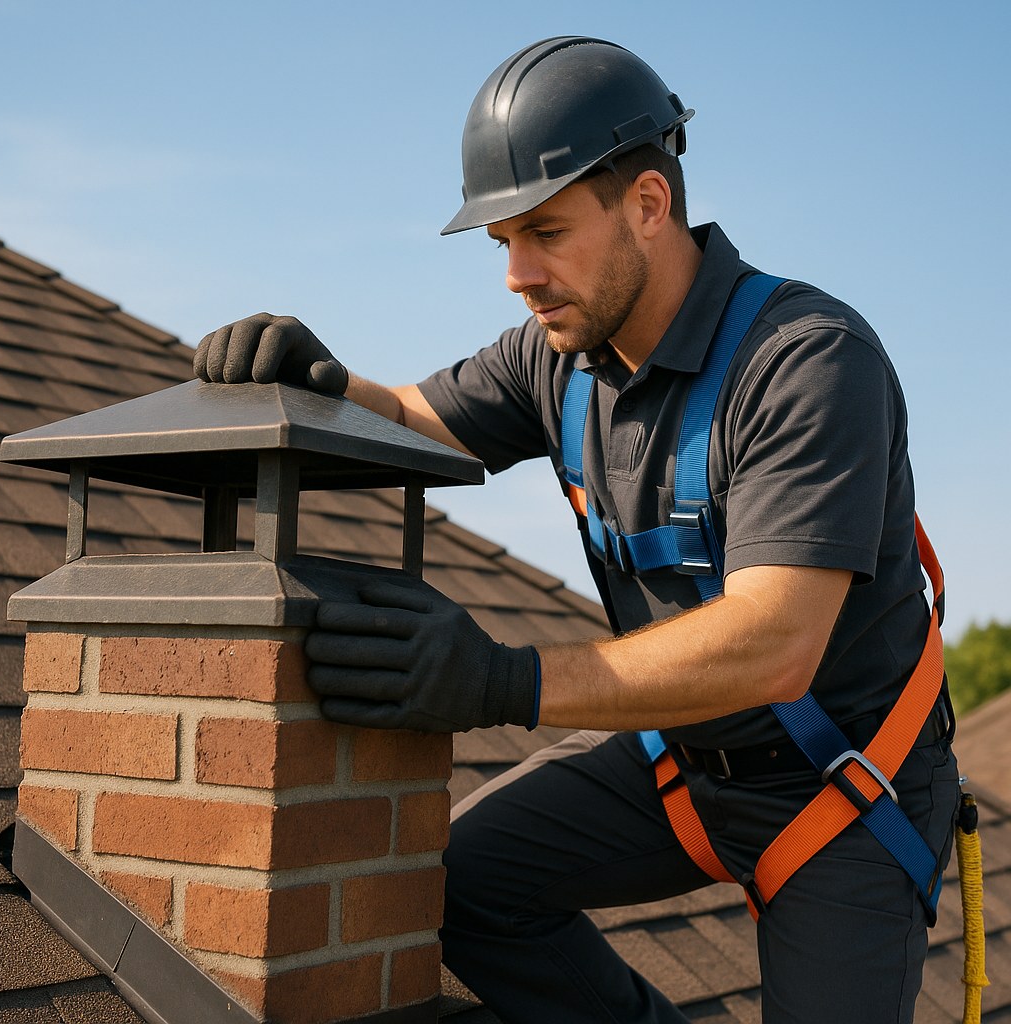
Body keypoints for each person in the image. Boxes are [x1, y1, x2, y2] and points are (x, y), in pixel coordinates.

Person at [194, 36, 959, 1024]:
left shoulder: (805, 362)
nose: (517, 273)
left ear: (648, 204)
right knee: (454, 884)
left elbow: (776, 642)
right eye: (501, 240)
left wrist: (503, 680)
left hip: (843, 789)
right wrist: (322, 382)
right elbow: (418, 418)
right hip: (681, 766)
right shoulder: (556, 357)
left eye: (545, 232)